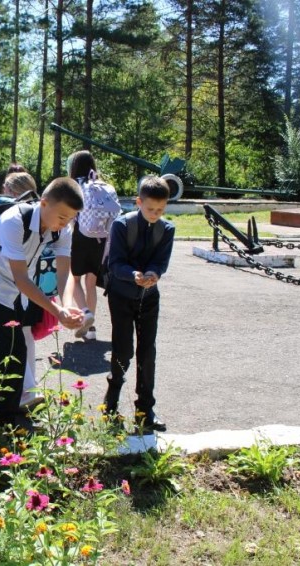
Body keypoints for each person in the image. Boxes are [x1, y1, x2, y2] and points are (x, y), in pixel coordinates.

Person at [0, 178, 85, 424]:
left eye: (71, 218)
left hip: (20, 287)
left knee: (12, 348)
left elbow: (64, 273)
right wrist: (58, 311)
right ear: (44, 202)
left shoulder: (62, 228)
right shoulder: (13, 221)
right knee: (13, 347)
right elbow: (21, 279)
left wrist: (68, 304)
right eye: (62, 217)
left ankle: (4, 410)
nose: (65, 223)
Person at [103, 175, 175, 433]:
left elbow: (161, 261)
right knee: (123, 350)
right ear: (138, 202)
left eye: (160, 210)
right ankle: (111, 403)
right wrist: (133, 275)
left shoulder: (167, 229)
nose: (155, 214)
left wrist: (154, 275)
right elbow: (115, 263)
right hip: (121, 295)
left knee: (147, 352)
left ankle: (145, 409)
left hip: (149, 298)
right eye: (150, 209)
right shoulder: (121, 226)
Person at [67, 150, 120, 341]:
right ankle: (91, 329)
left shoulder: (75, 186)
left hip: (80, 237)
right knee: (91, 283)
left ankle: (85, 314)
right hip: (102, 239)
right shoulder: (102, 186)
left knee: (73, 280)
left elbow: (70, 216)